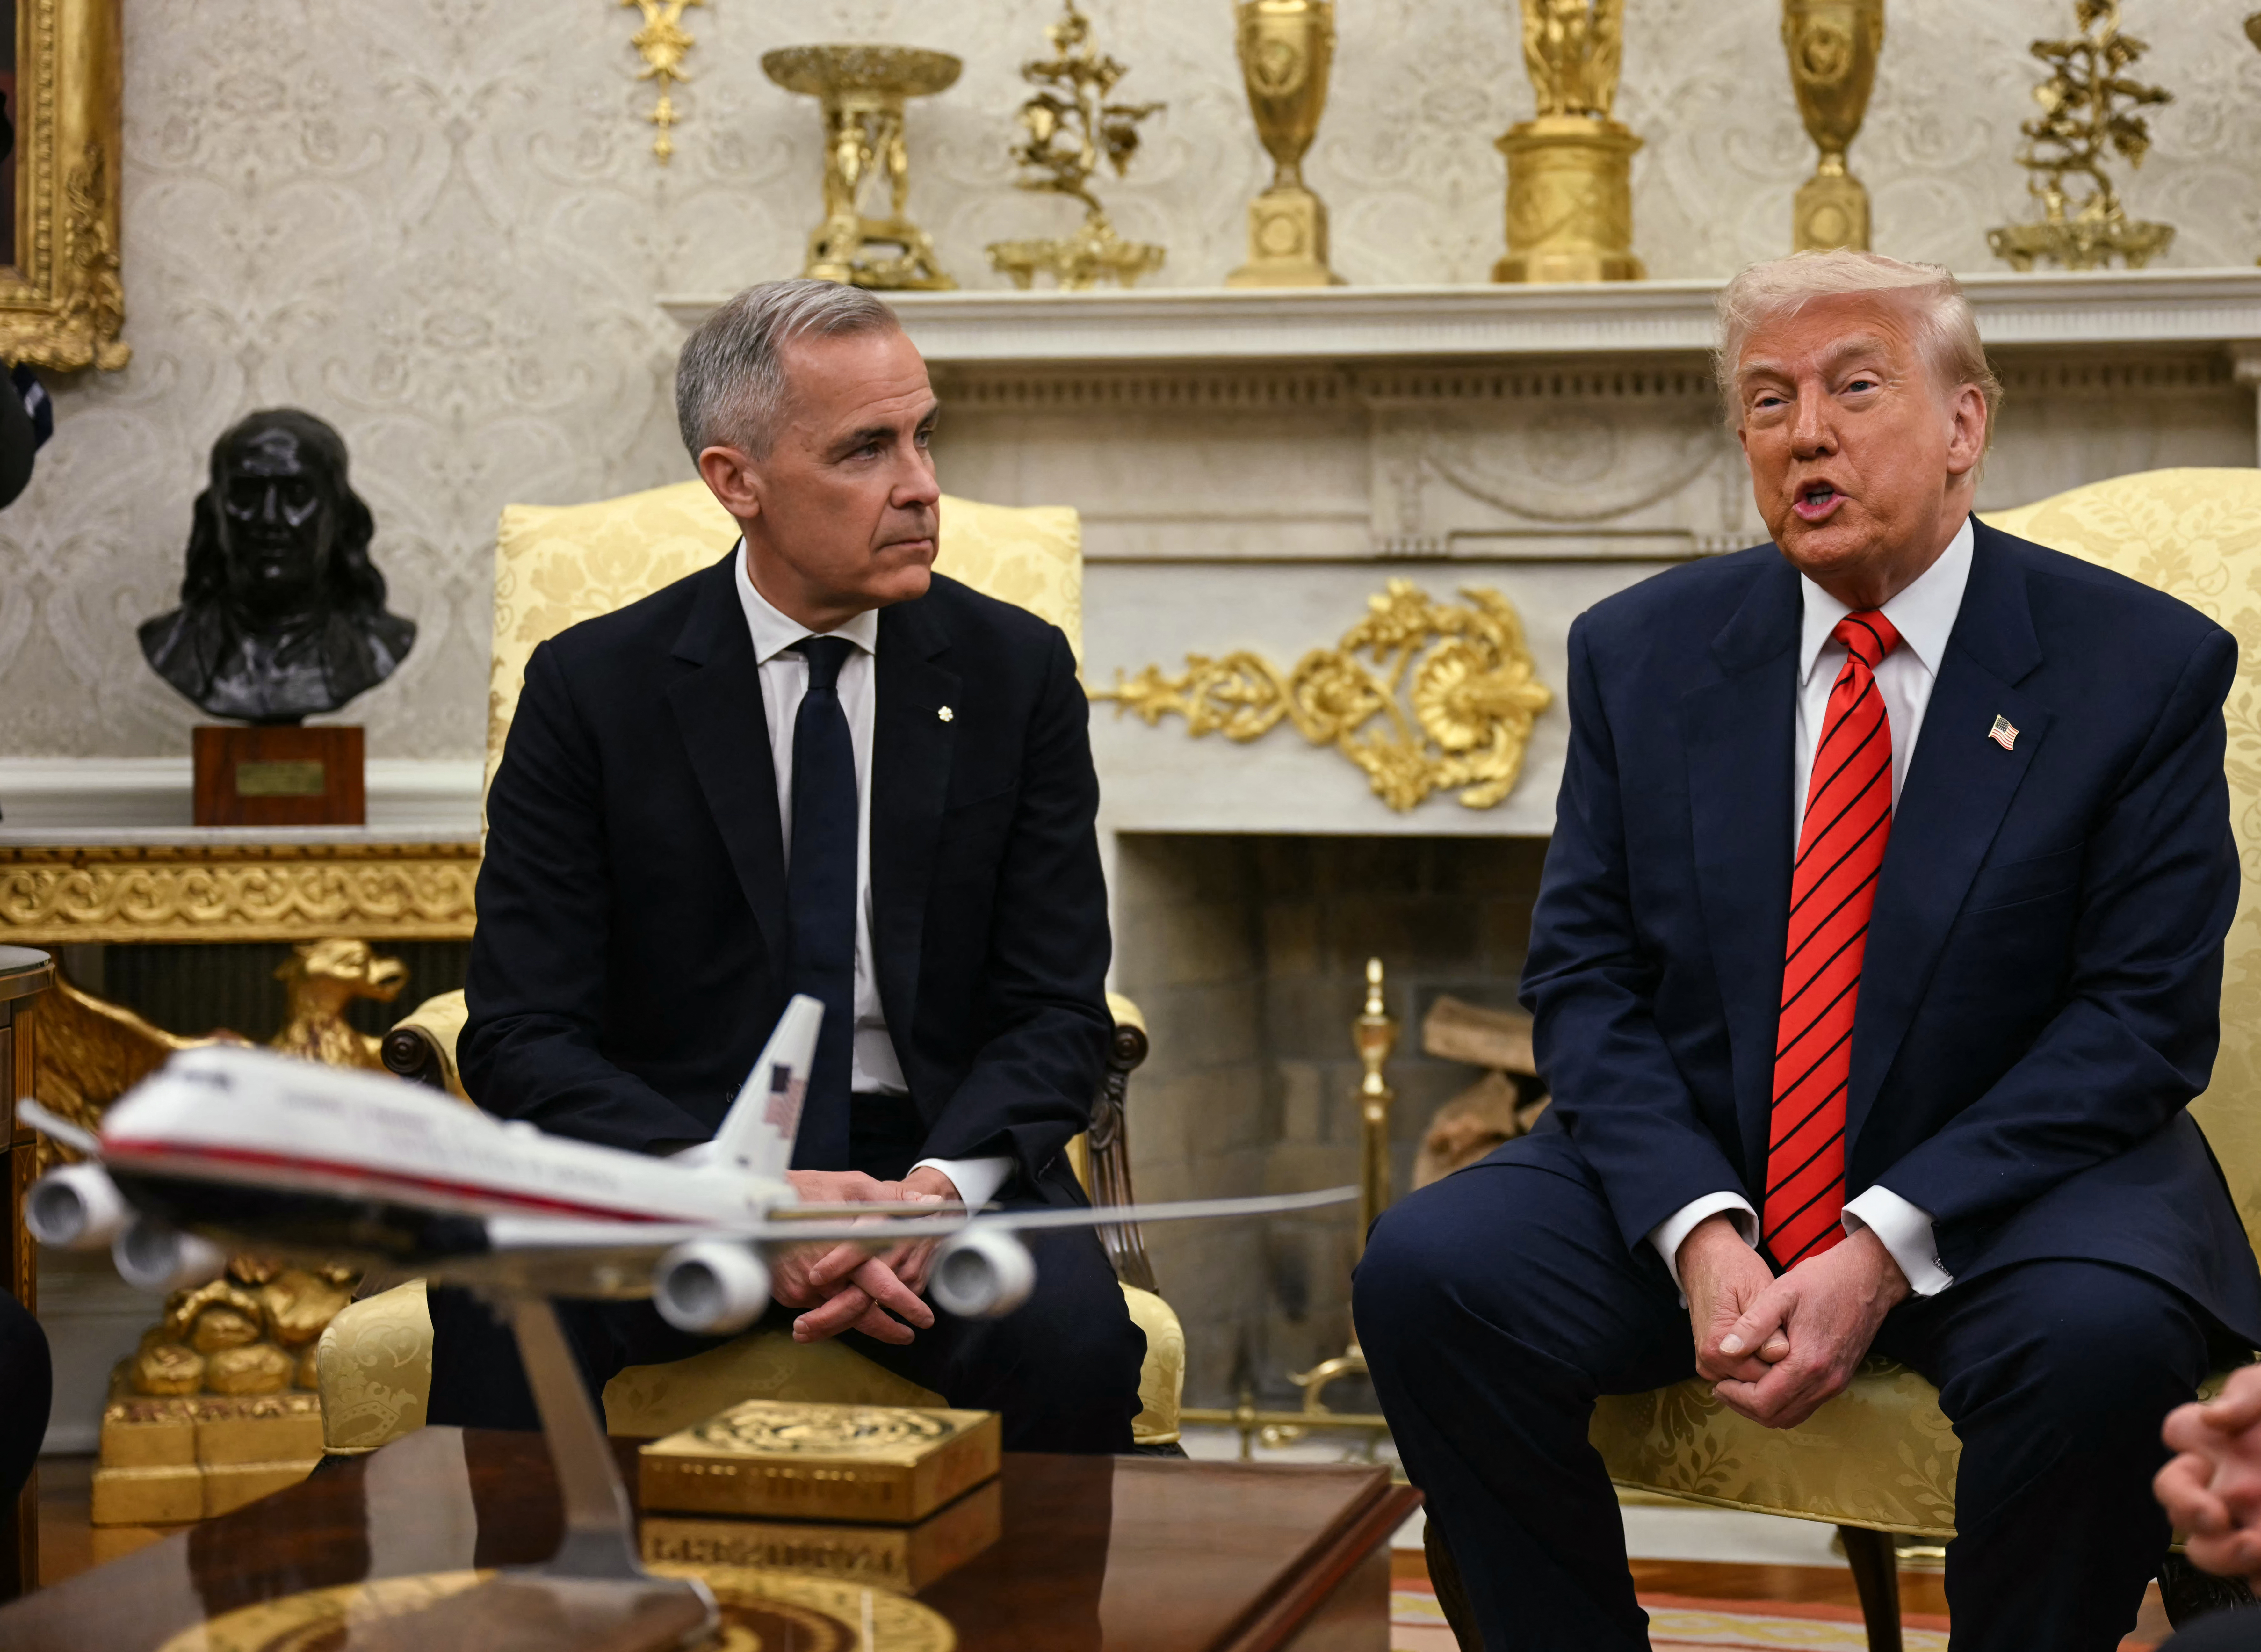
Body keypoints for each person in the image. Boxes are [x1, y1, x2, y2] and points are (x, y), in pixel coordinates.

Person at [1354, 249, 2261, 1652]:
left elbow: (2136, 1021)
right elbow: (1583, 980)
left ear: (1963, 423)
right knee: (1430, 1270)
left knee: (2099, 1344)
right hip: (1714, 1155)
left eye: (1854, 387)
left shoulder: (2134, 665)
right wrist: (1697, 1230)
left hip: (2015, 1182)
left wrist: (1881, 1241)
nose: (1805, 435)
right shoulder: (1640, 652)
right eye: (1767, 401)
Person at [427, 279, 1144, 1452]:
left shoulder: (1014, 673)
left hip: (926, 1155)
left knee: (1075, 1339)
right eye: (866, 448)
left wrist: (932, 1199)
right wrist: (741, 1195)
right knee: (495, 1297)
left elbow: (1056, 1008)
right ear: (736, 481)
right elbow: (521, 1032)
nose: (921, 485)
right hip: (675, 1154)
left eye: (923, 436)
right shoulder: (593, 689)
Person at [138, 409, 415, 724]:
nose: (269, 518)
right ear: (214, 513)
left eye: (297, 495)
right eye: (245, 495)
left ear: (340, 514)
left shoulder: (380, 645)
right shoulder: (172, 645)